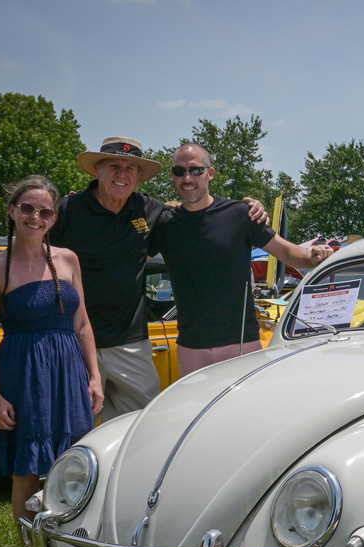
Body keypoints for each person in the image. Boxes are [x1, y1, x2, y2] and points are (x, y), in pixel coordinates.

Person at [48, 136, 268, 420]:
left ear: (139, 177)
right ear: (96, 170)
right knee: (72, 428)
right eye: (113, 165)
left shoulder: (149, 210)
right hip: (73, 340)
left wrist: (249, 207)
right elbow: (34, 262)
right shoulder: (67, 210)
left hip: (130, 342)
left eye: (130, 168)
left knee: (141, 427)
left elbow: (195, 213)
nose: (121, 173)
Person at [0, 175, 103, 525]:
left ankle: (73, 540)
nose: (36, 217)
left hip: (68, 372)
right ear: (13, 210)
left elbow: (82, 325)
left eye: (45, 211)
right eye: (28, 208)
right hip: (23, 374)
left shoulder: (68, 259)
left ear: (54, 219)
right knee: (26, 471)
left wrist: (95, 377)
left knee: (78, 462)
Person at [150, 142, 332, 376]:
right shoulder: (165, 223)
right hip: (191, 347)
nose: (187, 178)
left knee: (243, 412)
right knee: (195, 412)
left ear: (210, 173)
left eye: (195, 170)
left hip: (241, 344)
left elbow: (285, 252)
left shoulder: (240, 214)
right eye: (179, 171)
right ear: (172, 176)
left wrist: (314, 256)